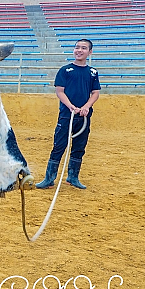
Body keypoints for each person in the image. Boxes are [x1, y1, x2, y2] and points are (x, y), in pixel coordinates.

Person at [35, 39, 101, 190]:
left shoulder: (93, 72)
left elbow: (95, 93)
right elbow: (60, 91)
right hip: (67, 115)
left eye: (83, 48)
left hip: (83, 117)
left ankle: (73, 177)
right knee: (59, 145)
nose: (79, 50)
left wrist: (86, 107)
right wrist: (71, 106)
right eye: (77, 47)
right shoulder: (65, 70)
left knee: (79, 146)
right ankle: (49, 178)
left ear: (90, 52)